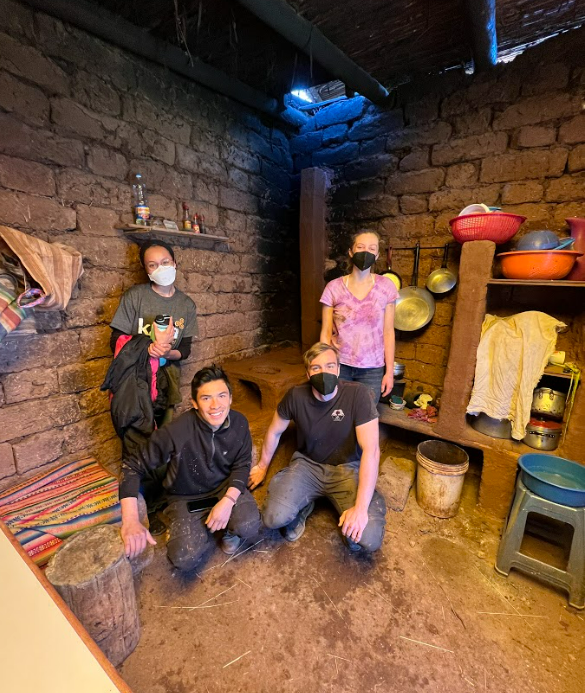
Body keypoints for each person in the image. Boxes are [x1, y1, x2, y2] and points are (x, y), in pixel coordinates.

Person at [120, 366, 262, 569]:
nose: (215, 405)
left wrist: (228, 501)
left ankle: (225, 527)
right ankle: (196, 527)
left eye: (222, 396)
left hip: (224, 487)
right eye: (206, 398)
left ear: (230, 397)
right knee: (184, 558)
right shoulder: (176, 432)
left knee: (249, 526)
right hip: (185, 495)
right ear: (194, 403)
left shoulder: (239, 422)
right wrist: (131, 520)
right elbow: (131, 466)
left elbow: (242, 464)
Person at [249, 343, 386, 553]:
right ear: (307, 373)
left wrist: (360, 509)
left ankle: (348, 512)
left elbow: (371, 451)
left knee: (368, 539)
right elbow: (275, 431)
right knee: (272, 517)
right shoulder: (295, 396)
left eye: (330, 366)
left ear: (339, 369)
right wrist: (262, 466)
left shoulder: (357, 395)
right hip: (308, 465)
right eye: (316, 368)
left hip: (347, 468)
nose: (324, 373)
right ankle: (304, 504)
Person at [105, 240, 198, 531]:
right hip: (136, 383)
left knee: (164, 437)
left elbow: (186, 348)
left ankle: (160, 501)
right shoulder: (135, 298)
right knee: (137, 438)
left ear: (175, 263)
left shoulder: (185, 304)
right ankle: (138, 503)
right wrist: (147, 348)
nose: (161, 268)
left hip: (167, 381)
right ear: (146, 271)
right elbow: (115, 341)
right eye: (153, 264)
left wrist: (166, 352)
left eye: (166, 261)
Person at [320, 230, 398, 402]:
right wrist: (325, 366)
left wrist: (389, 372)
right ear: (351, 251)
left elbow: (388, 332)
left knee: (365, 417)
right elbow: (325, 332)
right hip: (340, 365)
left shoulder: (387, 287)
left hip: (372, 369)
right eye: (360, 247)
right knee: (338, 414)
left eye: (372, 248)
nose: (365, 252)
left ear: (377, 255)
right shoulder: (333, 288)